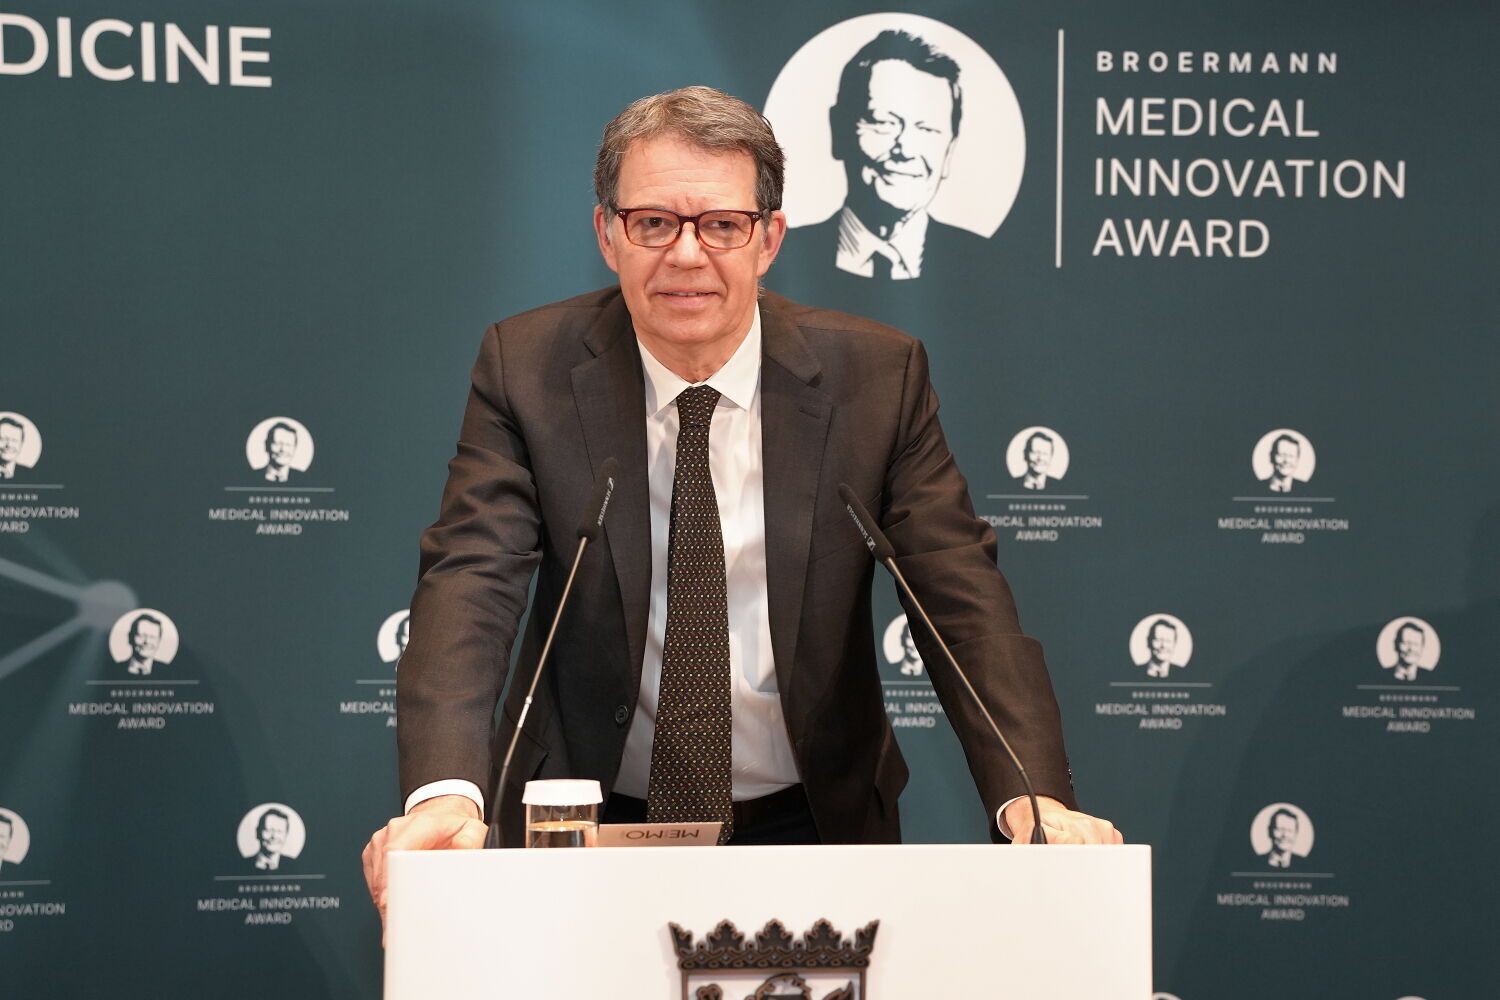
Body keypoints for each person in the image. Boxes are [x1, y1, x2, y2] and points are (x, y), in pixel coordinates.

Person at [362, 86, 1118, 926]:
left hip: (815, 819)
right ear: (607, 235)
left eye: (722, 224)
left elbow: (960, 596)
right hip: (586, 821)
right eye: (654, 223)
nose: (688, 255)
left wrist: (1033, 799)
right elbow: (473, 577)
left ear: (769, 239)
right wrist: (445, 791)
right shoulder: (527, 368)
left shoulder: (875, 379)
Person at [794, 30, 988, 280]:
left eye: (927, 128)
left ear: (949, 149)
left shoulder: (990, 266)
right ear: (840, 131)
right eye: (884, 123)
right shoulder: (782, 258)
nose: (905, 150)